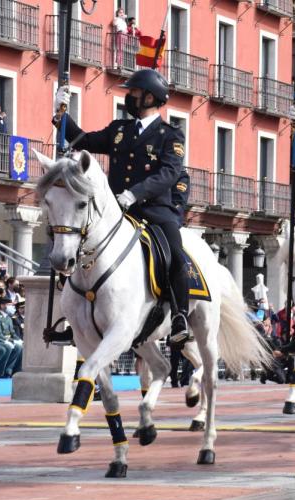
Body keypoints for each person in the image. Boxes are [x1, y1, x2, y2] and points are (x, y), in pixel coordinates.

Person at [54, 69, 192, 345]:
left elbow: (168, 173)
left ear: (150, 97)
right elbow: (84, 141)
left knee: (176, 255)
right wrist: (60, 116)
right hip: (116, 211)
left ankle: (180, 315)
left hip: (154, 210)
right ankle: (78, 320)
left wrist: (135, 193)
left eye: (135, 92)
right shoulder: (120, 130)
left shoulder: (170, 135)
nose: (130, 96)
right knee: (77, 244)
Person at [0, 296, 22, 377]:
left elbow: (12, 332)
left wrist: (18, 339)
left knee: (22, 346)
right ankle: (4, 370)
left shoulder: (9, 318)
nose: (12, 307)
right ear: (2, 306)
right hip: (0, 339)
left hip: (8, 339)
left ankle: (15, 370)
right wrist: (11, 340)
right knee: (15, 347)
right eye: (9, 305)